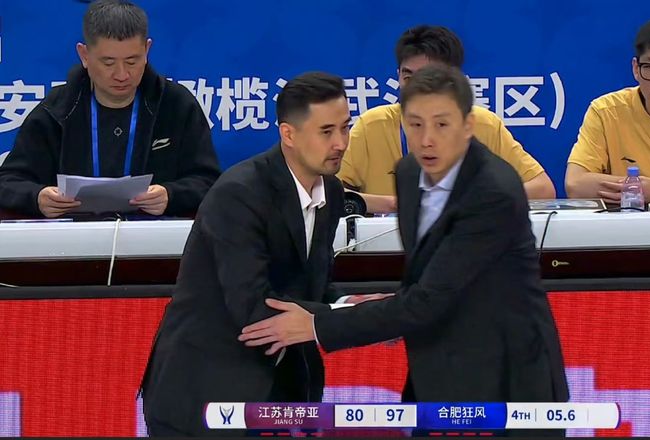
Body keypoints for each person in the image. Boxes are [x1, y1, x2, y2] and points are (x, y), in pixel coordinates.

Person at [239, 65, 569, 436]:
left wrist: (317, 324)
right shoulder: (410, 174)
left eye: (441, 125)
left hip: (508, 383)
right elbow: (420, 281)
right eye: (415, 124)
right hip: (435, 376)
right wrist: (360, 307)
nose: (427, 140)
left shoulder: (493, 192)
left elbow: (428, 299)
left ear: (467, 125)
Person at [140, 72, 390, 436]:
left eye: (345, 128)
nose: (340, 143)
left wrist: (349, 302)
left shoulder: (332, 192)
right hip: (207, 394)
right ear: (288, 134)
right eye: (326, 131)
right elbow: (254, 310)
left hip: (282, 393)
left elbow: (311, 287)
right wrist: (356, 317)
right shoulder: (239, 194)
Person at [0, 0, 220, 218]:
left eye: (132, 61)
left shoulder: (176, 105)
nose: (122, 75)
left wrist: (171, 195)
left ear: (147, 50)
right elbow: (7, 182)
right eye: (108, 63)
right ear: (84, 55)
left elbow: (209, 182)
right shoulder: (57, 110)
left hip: (153, 236)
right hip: (74, 237)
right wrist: (37, 198)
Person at [338, 25, 555, 213]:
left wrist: (471, 202)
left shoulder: (483, 124)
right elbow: (328, 194)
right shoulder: (372, 126)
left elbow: (542, 189)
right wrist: (394, 204)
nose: (415, 88)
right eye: (407, 77)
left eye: (426, 77)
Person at [565, 18, 650, 203]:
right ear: (636, 68)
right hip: (629, 220)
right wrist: (637, 188)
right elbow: (575, 184)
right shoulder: (606, 111)